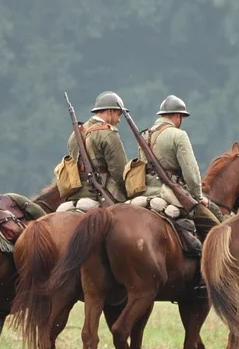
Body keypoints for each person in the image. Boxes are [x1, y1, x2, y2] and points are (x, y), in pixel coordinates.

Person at [140, 95, 220, 241]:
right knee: (216, 227)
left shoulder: (144, 135)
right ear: (177, 116)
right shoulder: (178, 135)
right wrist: (197, 196)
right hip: (170, 193)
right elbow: (191, 173)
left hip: (145, 192)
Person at [66, 91, 129, 204]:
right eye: (118, 114)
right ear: (110, 111)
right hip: (101, 194)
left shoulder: (75, 134)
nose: (119, 120)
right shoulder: (108, 133)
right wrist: (129, 192)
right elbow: (119, 172)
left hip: (74, 195)